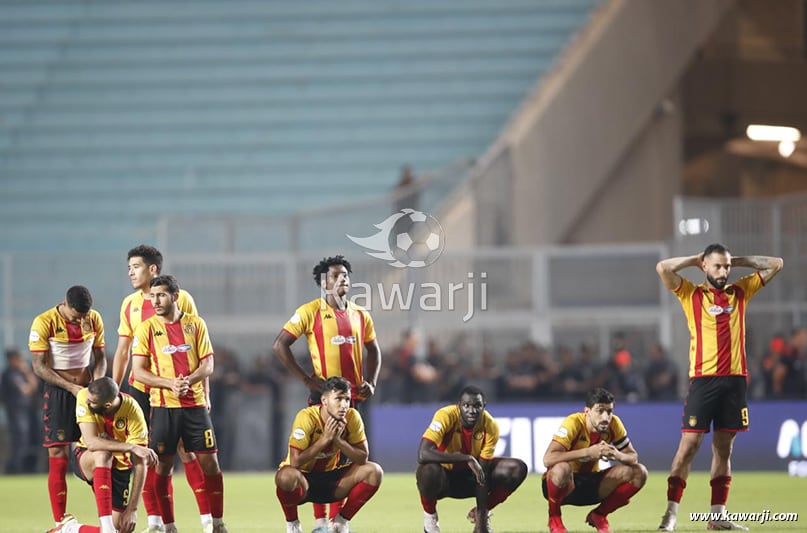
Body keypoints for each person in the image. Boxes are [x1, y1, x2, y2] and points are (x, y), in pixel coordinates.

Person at [655, 244, 783, 531]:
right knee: (689, 447)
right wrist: (695, 259)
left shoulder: (741, 291)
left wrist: (736, 260)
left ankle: (717, 516)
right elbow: (663, 268)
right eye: (717, 266)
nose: (724, 271)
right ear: (705, 266)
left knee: (724, 449)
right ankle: (671, 513)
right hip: (703, 380)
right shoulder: (691, 294)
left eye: (726, 267)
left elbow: (776, 263)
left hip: (735, 382)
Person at [273, 255, 381, 532]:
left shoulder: (360, 314)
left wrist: (371, 381)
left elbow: (374, 349)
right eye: (335, 275)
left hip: (353, 397)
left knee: (345, 458)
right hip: (324, 395)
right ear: (324, 282)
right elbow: (280, 345)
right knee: (321, 448)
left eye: (345, 274)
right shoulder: (310, 312)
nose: (342, 278)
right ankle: (320, 520)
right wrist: (306, 379)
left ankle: (336, 523)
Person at [110, 244, 211, 533]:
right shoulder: (129, 304)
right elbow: (123, 351)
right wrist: (115, 391)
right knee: (143, 451)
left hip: (175, 389)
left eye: (136, 267)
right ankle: (156, 522)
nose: (130, 272)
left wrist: (205, 392)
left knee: (186, 450)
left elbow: (196, 347)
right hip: (141, 387)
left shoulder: (182, 298)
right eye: (129, 268)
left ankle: (208, 519)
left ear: (152, 269)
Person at [131, 275, 228, 533]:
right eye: (153, 296)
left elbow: (208, 364)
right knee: (162, 466)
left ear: (175, 296)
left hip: (195, 406)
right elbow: (138, 371)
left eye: (161, 295)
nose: (155, 301)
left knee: (211, 464)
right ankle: (169, 525)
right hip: (163, 408)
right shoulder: (146, 328)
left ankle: (217, 523)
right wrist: (169, 384)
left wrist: (188, 381)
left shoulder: (196, 324)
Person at [29, 285, 107, 526]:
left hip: (88, 392)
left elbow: (100, 358)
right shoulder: (44, 322)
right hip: (59, 393)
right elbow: (39, 366)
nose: (81, 320)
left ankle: (108, 519)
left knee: (98, 451)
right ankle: (60, 521)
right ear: (65, 305)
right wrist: (70, 387)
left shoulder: (93, 319)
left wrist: (97, 384)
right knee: (58, 454)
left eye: (85, 315)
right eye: (76, 316)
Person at [47, 377, 158, 533]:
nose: (87, 402)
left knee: (122, 528)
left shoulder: (133, 411)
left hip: (120, 467)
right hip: (87, 456)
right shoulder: (84, 395)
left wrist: (133, 509)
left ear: (107, 405)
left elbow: (141, 463)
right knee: (103, 454)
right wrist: (131, 447)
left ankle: (69, 529)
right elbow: (92, 442)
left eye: (92, 403)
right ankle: (107, 527)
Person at [274, 376, 383, 533]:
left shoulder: (352, 417)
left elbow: (362, 458)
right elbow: (296, 461)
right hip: (304, 482)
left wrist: (338, 441)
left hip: (333, 482)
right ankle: (293, 524)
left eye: (347, 399)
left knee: (374, 471)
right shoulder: (307, 417)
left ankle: (341, 521)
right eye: (338, 398)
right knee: (286, 476)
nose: (344, 405)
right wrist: (325, 439)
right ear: (324, 401)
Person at [416, 385, 528, 533]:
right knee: (428, 470)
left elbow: (482, 475)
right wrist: (466, 458)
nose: (472, 410)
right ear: (459, 406)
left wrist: (481, 523)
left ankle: (481, 514)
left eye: (477, 406)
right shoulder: (445, 415)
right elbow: (423, 454)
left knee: (517, 468)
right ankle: (430, 519)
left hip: (472, 478)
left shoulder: (490, 425)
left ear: (484, 406)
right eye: (466, 405)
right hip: (444, 479)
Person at [542, 387, 647, 533]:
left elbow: (633, 457)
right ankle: (554, 518)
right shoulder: (574, 422)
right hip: (565, 485)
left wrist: (617, 454)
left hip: (592, 484)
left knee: (640, 472)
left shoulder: (614, 424)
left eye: (609, 411)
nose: (605, 417)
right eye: (600, 411)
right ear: (587, 411)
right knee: (562, 468)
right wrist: (587, 452)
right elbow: (548, 459)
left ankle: (599, 515)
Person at [1, 346, 39, 473]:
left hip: (27, 411)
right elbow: (25, 390)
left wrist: (27, 372)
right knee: (21, 438)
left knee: (31, 438)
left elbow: (34, 386)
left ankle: (27, 466)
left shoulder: (21, 372)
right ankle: (15, 467)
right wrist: (27, 372)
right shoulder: (10, 374)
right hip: (17, 412)